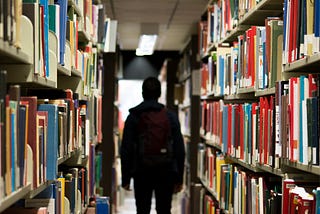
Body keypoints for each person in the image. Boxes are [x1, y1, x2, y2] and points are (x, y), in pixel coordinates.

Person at [120, 76, 185, 214]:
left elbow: (126, 148)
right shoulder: (170, 116)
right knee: (164, 209)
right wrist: (179, 178)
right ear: (160, 94)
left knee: (142, 209)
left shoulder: (133, 116)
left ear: (142, 93)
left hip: (141, 171)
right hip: (165, 171)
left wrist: (126, 177)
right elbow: (179, 149)